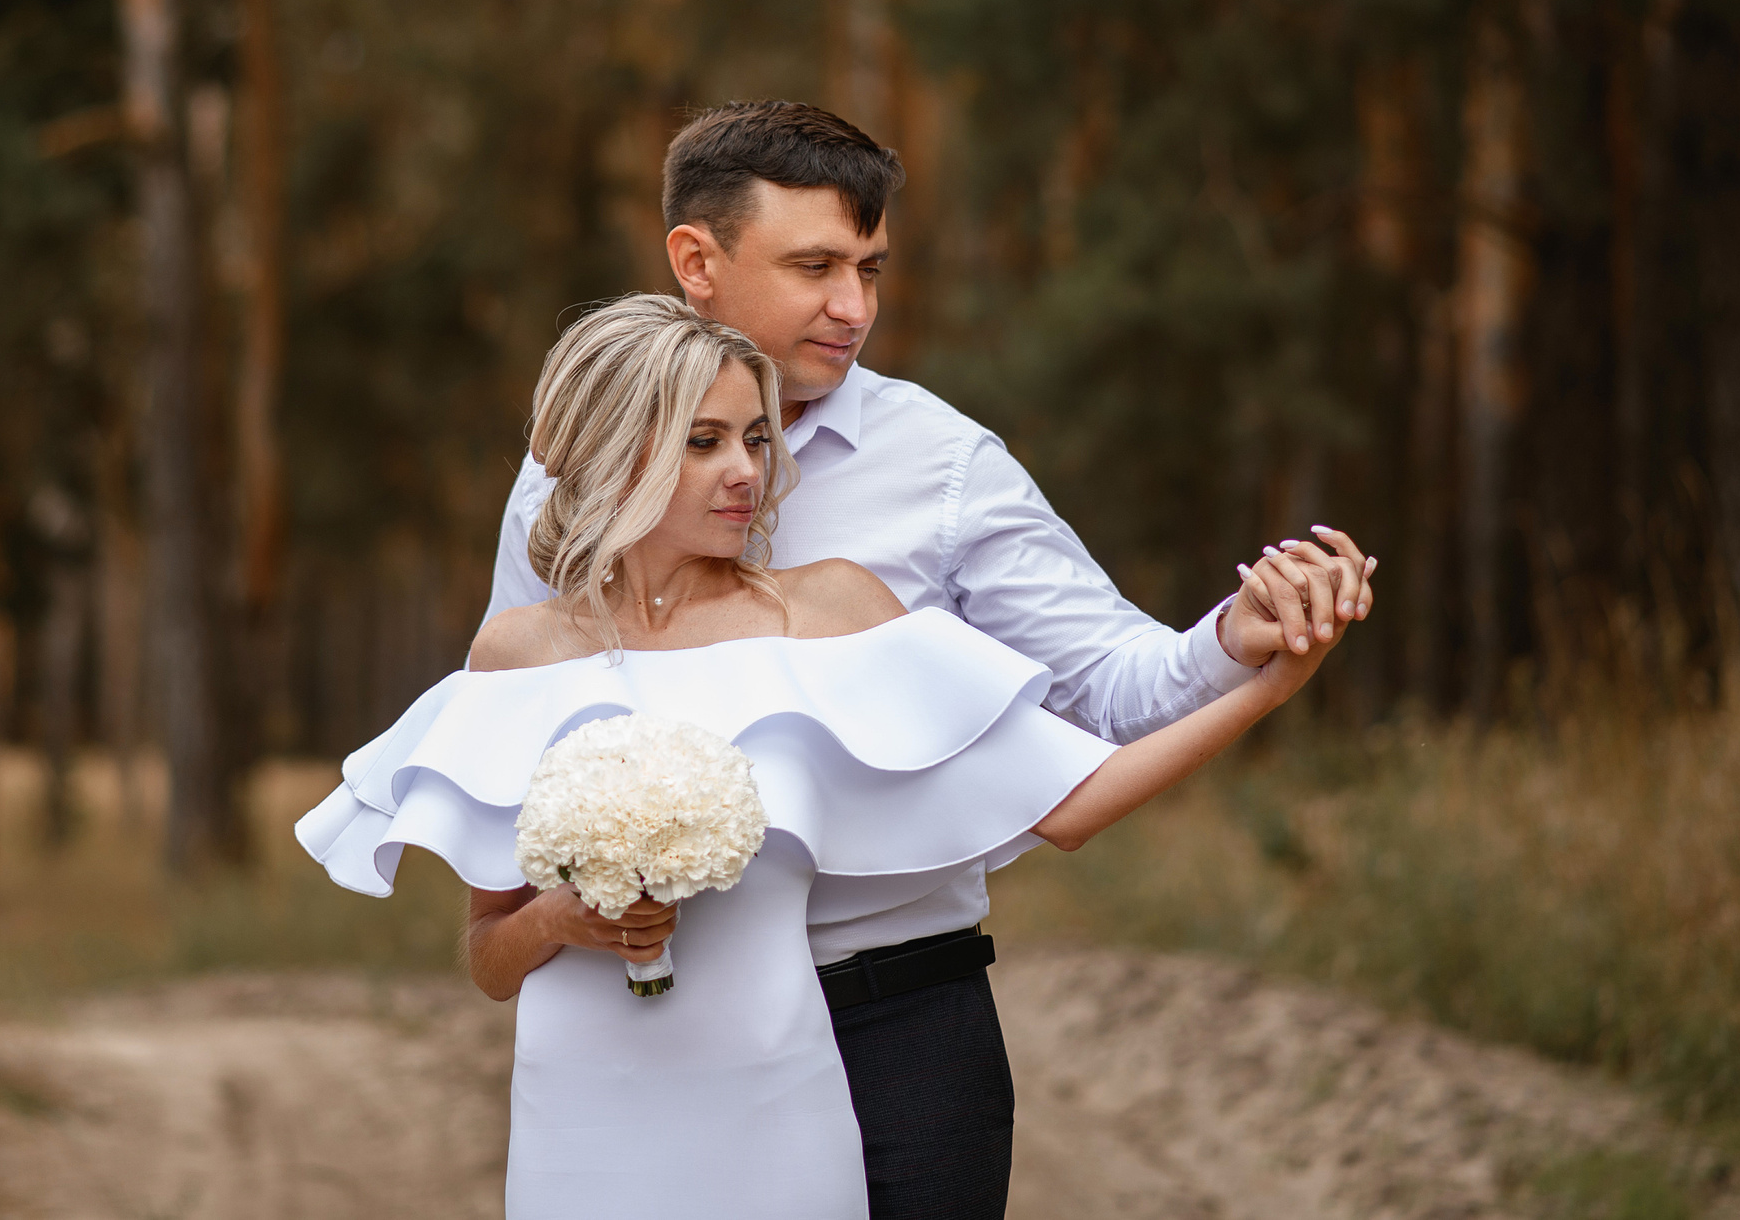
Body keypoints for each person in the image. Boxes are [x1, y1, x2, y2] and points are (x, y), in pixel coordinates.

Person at [479, 100, 1377, 1217]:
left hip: (897, 1018)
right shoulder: (565, 478)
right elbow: (523, 782)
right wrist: (571, 913)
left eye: (871, 268)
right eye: (814, 266)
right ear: (694, 259)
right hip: (641, 1024)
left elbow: (1106, 700)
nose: (853, 307)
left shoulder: (941, 468)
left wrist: (1244, 644)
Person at [298, 296, 1342, 1220]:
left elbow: (1072, 805)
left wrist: (1268, 685)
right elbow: (489, 960)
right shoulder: (516, 653)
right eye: (703, 441)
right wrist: (565, 919)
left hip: (776, 1098)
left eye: (755, 438)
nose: (746, 471)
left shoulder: (829, 614)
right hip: (583, 1111)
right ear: (616, 454)